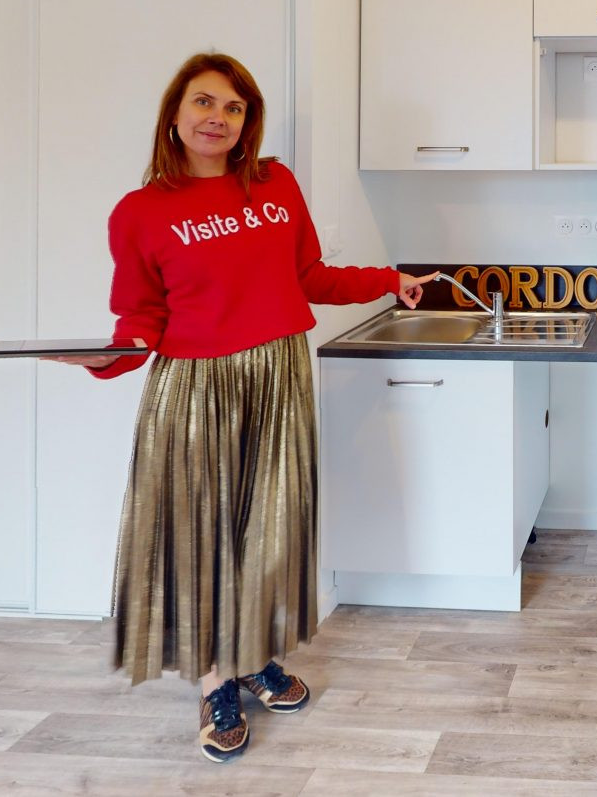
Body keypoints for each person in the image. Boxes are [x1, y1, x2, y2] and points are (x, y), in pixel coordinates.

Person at [49, 52, 435, 763]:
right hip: (197, 387)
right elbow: (140, 320)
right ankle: (214, 682)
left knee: (269, 530)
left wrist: (387, 279)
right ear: (174, 114)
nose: (218, 118)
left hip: (279, 374)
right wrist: (106, 358)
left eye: (234, 108)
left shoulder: (275, 184)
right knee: (204, 534)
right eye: (204, 102)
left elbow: (310, 275)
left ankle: (253, 656)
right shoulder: (140, 213)